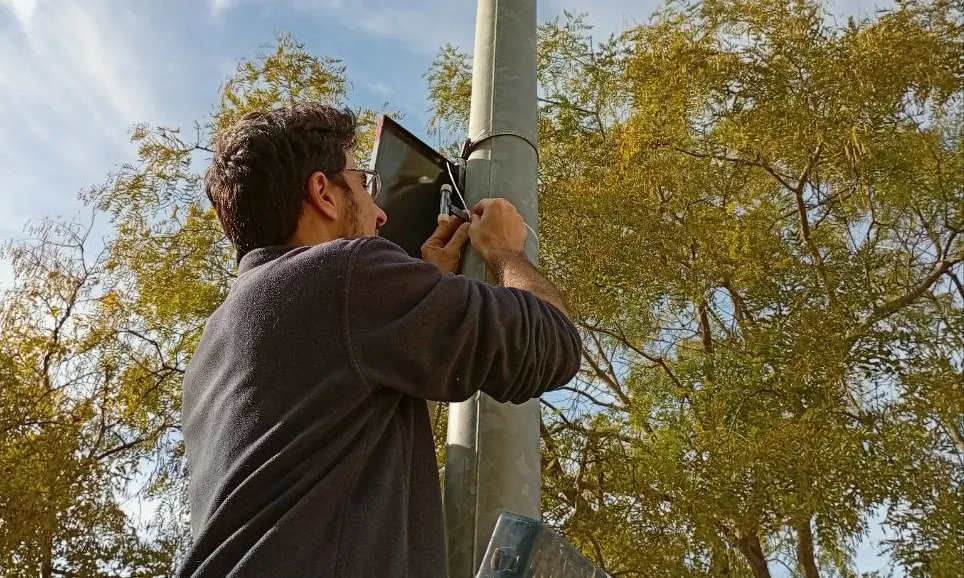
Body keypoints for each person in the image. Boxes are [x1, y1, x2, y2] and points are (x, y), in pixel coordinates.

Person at [177, 102, 581, 578]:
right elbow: (552, 342)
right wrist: (504, 250)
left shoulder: (212, 348)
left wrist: (428, 287)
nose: (381, 213)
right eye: (365, 183)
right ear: (323, 193)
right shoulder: (344, 272)